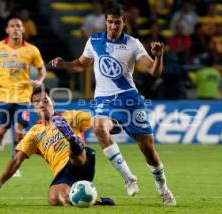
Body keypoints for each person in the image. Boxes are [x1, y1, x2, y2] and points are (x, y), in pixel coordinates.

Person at [50, 2, 176, 206]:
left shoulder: (133, 44)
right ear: (105, 22)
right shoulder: (94, 41)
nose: (113, 26)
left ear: (124, 22)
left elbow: (154, 71)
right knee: (98, 126)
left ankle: (163, 188)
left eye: (117, 23)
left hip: (129, 99)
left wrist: (159, 57)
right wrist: (64, 63)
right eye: (110, 22)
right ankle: (128, 177)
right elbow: (81, 64)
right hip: (103, 100)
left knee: (148, 149)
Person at [0, 86, 115, 206]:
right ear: (34, 107)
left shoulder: (70, 116)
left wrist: (109, 125)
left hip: (83, 161)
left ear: (52, 102)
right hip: (63, 174)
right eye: (37, 102)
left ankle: (73, 141)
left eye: (45, 100)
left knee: (73, 151)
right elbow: (16, 160)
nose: (42, 104)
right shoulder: (34, 133)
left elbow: (97, 121)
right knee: (55, 199)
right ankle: (94, 201)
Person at [0, 18, 46, 177]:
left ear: (23, 29)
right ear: (7, 30)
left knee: (19, 131)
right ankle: (0, 137)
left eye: (18, 26)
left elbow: (42, 69)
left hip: (23, 97)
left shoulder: (32, 50)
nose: (15, 29)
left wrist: (40, 80)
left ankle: (15, 165)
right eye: (12, 26)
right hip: (2, 97)